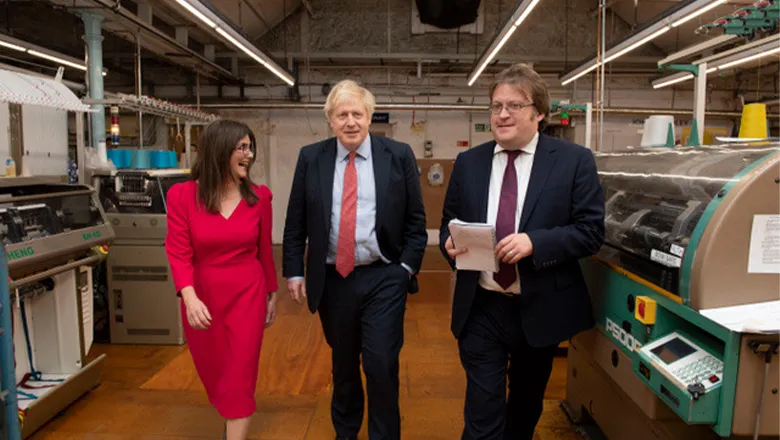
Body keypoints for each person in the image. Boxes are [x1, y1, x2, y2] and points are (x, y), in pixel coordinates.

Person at [439, 64, 605, 440]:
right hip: (482, 305)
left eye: (514, 105)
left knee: (526, 406)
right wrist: (450, 247)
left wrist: (536, 242)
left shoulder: (573, 161)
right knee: (483, 410)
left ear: (539, 112)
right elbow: (450, 223)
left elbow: (591, 232)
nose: (502, 114)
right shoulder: (469, 163)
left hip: (540, 306)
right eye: (496, 105)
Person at [282, 79, 427, 440]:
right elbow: (295, 220)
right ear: (330, 119)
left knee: (380, 364)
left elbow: (416, 221)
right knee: (343, 364)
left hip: (384, 276)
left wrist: (405, 269)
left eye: (357, 114)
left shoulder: (398, 155)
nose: (350, 122)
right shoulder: (311, 157)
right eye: (342, 114)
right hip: (334, 279)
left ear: (369, 117)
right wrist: (293, 272)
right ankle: (345, 433)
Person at [165, 119, 278, 440]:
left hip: (248, 294)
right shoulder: (182, 196)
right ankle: (230, 414)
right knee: (216, 375)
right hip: (203, 298)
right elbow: (178, 251)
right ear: (219, 151)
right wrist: (189, 297)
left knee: (240, 376)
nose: (249, 154)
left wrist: (272, 294)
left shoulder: (260, 197)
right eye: (242, 147)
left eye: (250, 147)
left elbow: (264, 250)